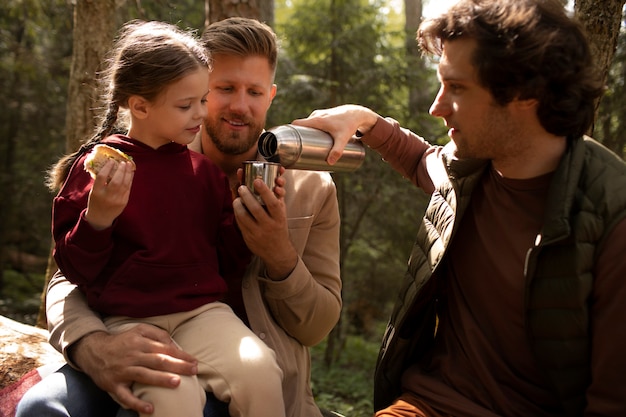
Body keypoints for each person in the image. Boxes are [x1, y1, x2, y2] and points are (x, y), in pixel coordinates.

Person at [292, 0, 626, 416]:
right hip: (424, 406)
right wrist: (364, 120)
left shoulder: (611, 216)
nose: (437, 106)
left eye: (458, 87)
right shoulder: (469, 168)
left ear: (526, 93)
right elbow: (424, 161)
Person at [16, 17, 342, 417]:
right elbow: (69, 273)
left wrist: (277, 252)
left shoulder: (307, 186)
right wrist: (91, 343)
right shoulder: (114, 165)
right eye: (221, 90)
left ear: (271, 96)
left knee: (249, 377)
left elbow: (316, 325)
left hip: (216, 335)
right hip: (127, 325)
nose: (238, 105)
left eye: (254, 91)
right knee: (45, 408)